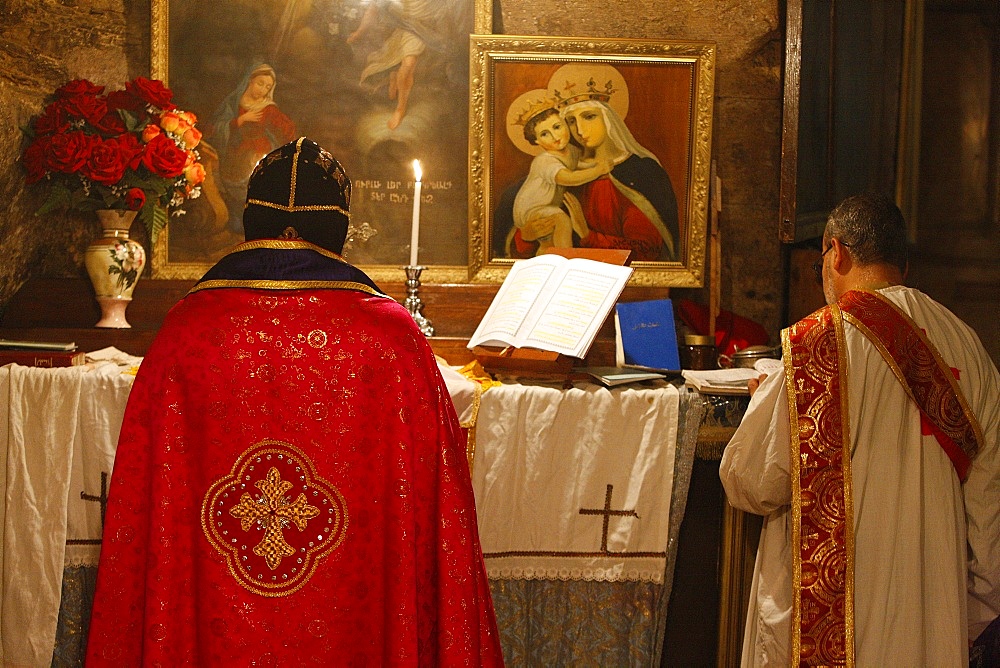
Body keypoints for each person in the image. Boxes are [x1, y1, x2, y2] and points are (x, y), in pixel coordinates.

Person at [85, 137, 505, 666]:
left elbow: (149, 511)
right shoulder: (390, 338)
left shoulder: (187, 331)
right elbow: (434, 511)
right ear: (339, 228)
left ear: (250, 221)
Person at [719, 193, 1000, 666]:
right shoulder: (967, 346)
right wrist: (959, 617)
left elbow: (748, 482)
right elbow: (990, 518)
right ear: (902, 267)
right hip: (934, 619)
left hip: (842, 622)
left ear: (837, 251)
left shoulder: (820, 344)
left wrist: (762, 406)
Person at [508, 89, 680, 262]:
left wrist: (587, 235)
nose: (580, 130)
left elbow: (649, 252)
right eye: (571, 121)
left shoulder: (642, 172)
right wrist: (526, 237)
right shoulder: (559, 171)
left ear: (607, 117)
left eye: (589, 116)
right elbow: (518, 254)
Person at [209, 62, 297, 233]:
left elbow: (288, 129)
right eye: (260, 83)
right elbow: (213, 128)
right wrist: (239, 121)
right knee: (235, 192)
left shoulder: (268, 108)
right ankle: (238, 219)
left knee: (259, 189)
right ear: (250, 80)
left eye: (267, 87)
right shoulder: (234, 103)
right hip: (234, 153)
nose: (262, 90)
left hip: (258, 153)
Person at [512, 106, 612, 254]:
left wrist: (595, 164)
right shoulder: (544, 161)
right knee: (562, 221)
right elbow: (568, 178)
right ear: (537, 141)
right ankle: (565, 258)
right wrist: (597, 170)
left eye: (557, 127)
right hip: (532, 208)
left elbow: (576, 165)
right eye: (545, 134)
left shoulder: (571, 150)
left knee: (548, 243)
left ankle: (551, 260)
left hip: (548, 205)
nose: (555, 136)